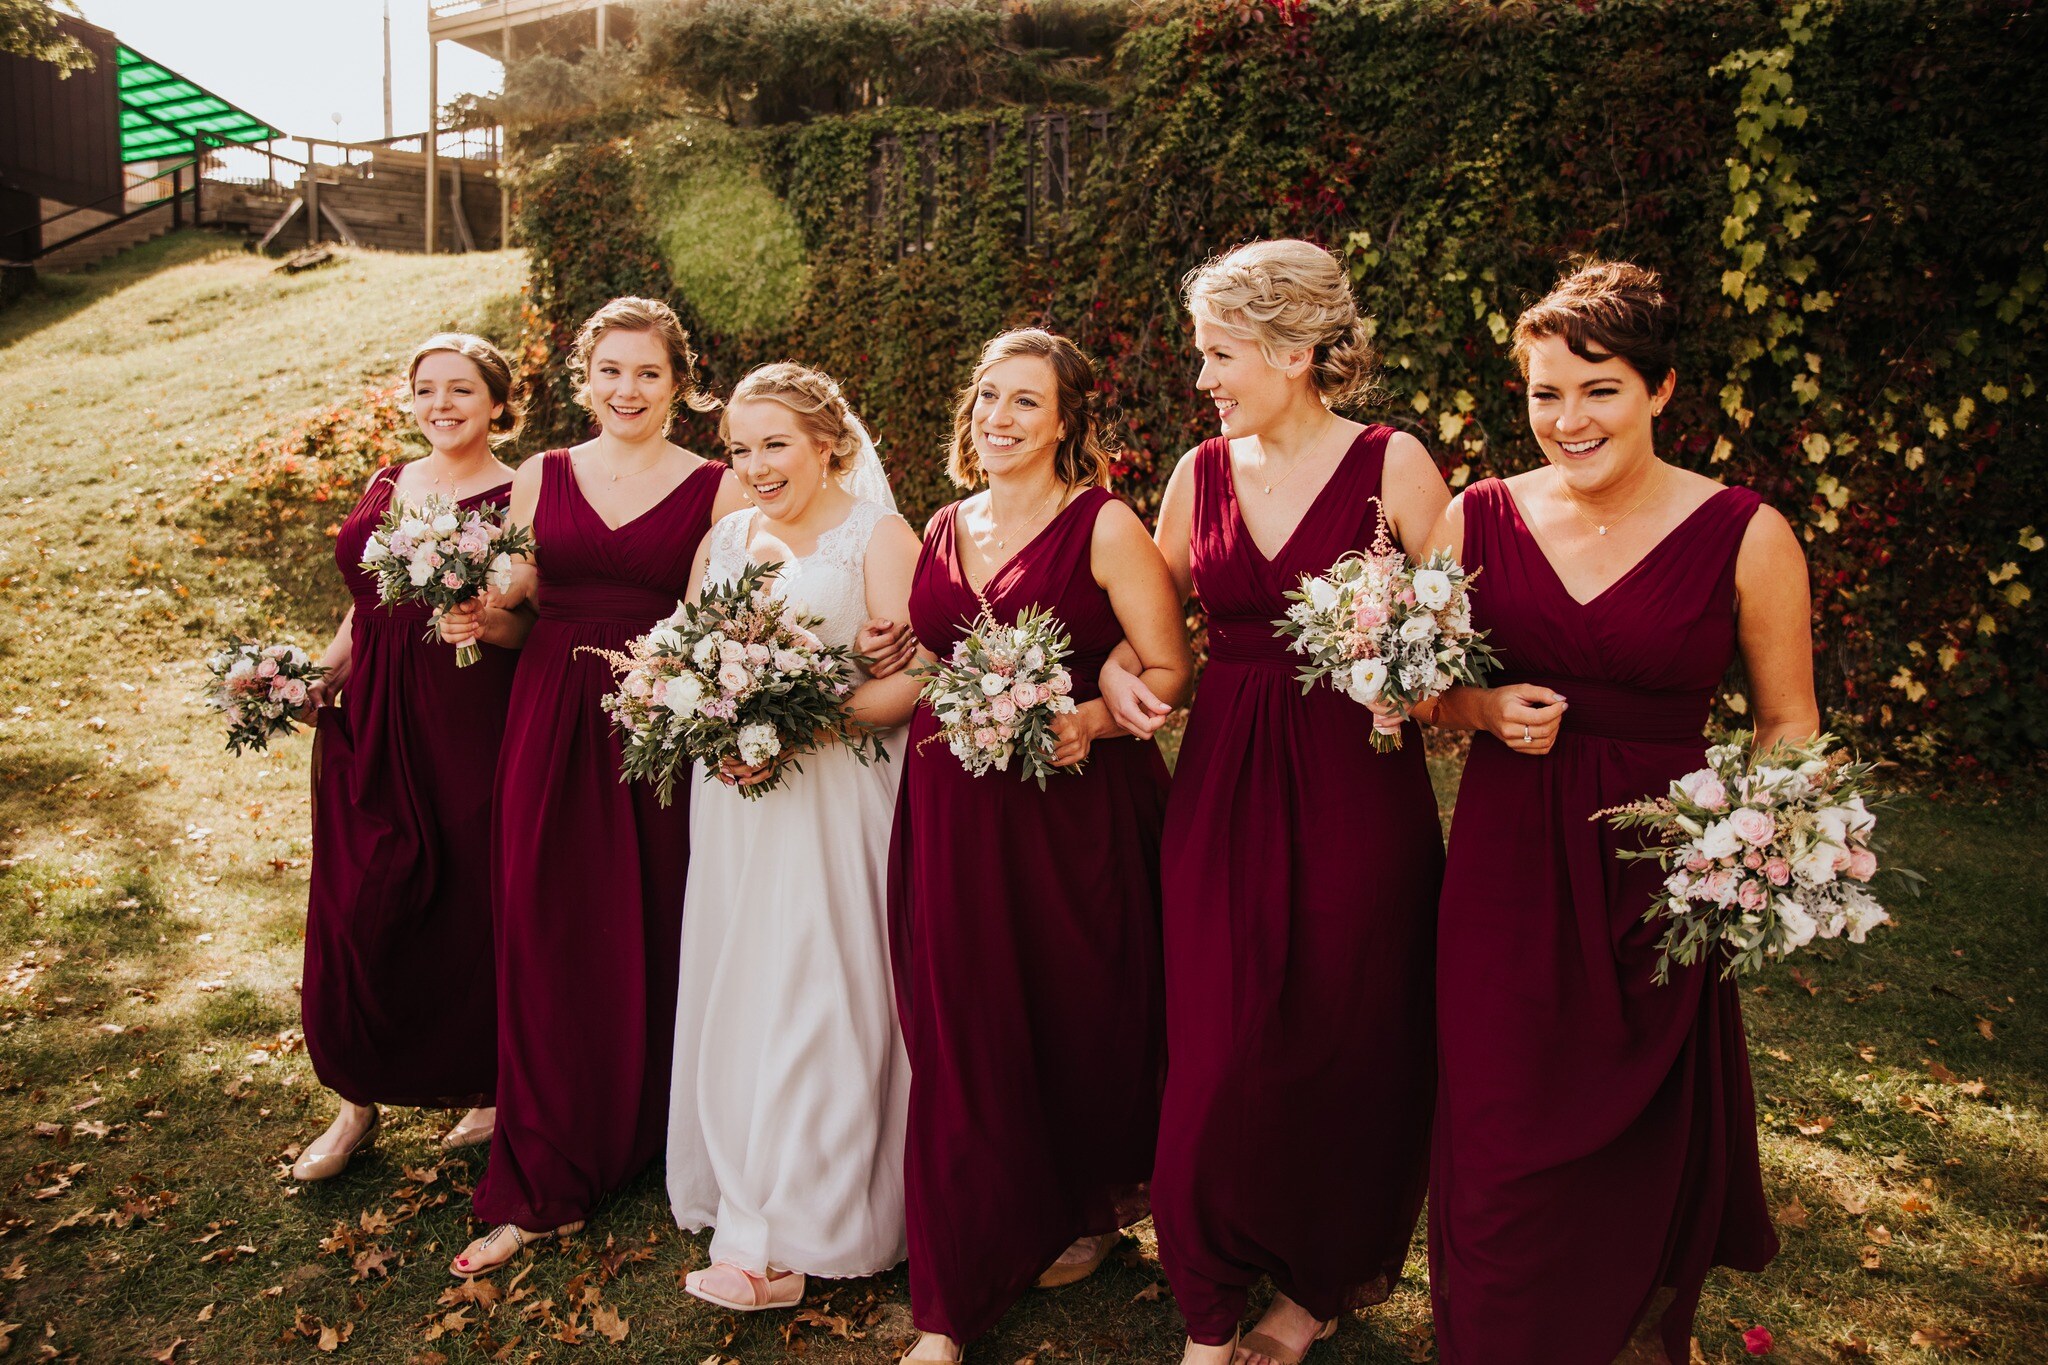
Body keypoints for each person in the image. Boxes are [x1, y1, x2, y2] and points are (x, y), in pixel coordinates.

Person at [1423, 260, 1814, 1364]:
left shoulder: (1746, 534)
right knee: (1497, 1123)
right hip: (1506, 862)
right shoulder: (1474, 517)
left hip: (1663, 872)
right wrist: (1482, 705)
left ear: (1659, 389)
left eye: (1596, 389)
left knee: (1639, 1128)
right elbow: (1412, 692)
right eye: (1544, 393)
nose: (1567, 418)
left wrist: (1750, 848)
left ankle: (1635, 1329)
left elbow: (1787, 725)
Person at [1099, 238, 1450, 1365]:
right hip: (1224, 783)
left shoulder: (1393, 465)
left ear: (1295, 351)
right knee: (1214, 1035)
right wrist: (1115, 674)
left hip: (1355, 782)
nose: (1202, 378)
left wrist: (1422, 680)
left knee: (1346, 1032)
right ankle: (1207, 1292)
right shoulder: (1196, 475)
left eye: (1219, 353)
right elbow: (1151, 642)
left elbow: (1450, 646)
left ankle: (1313, 1283)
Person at [889, 329, 1193, 1362]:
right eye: (986, 398)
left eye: (1025, 402)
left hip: (1071, 812)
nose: (999, 419)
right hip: (948, 808)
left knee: (1077, 1010)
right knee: (961, 1016)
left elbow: (1166, 667)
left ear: (1066, 421)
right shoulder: (940, 523)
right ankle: (956, 1283)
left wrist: (1088, 722)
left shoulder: (1102, 525)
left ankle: (1078, 1205)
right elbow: (929, 653)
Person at [443, 297, 749, 1276]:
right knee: (543, 926)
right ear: (585, 379)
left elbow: (736, 617)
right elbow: (519, 602)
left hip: (654, 728)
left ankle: (651, 1135)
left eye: (648, 373)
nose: (628, 390)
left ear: (679, 384)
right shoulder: (543, 475)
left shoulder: (716, 487)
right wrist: (474, 616)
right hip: (545, 718)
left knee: (652, 924)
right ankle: (544, 1175)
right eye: (611, 371)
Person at [664, 363, 923, 1310]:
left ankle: (812, 1219)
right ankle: (745, 1188)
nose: (757, 464)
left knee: (824, 980)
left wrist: (803, 719)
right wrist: (712, 724)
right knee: (742, 974)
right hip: (735, 802)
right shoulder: (727, 535)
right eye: (741, 447)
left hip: (834, 795)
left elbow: (914, 678)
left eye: (776, 443)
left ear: (828, 441)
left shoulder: (879, 534)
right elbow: (681, 656)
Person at [295, 333, 525, 1183]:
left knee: (469, 897)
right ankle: (355, 1098)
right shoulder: (389, 482)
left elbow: (530, 624)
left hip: (469, 713)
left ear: (497, 401)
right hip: (377, 711)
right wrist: (316, 678)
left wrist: (484, 620)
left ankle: (487, 1081)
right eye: (426, 389)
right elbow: (364, 610)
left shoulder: (522, 492)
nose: (441, 405)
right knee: (359, 896)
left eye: (461, 390)